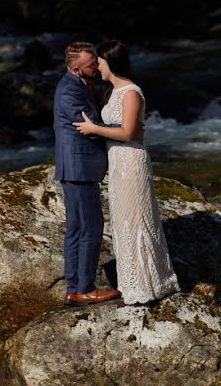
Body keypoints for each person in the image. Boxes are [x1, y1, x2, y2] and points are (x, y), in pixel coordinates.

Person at [73, 41, 180, 305]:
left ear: (111, 63)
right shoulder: (112, 92)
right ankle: (131, 283)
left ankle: (147, 284)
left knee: (137, 219)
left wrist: (94, 129)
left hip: (131, 162)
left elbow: (128, 133)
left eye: (100, 62)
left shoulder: (131, 92)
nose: (97, 67)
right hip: (117, 162)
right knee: (123, 221)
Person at [53, 42, 122, 307]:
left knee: (77, 228)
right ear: (75, 68)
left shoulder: (77, 84)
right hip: (78, 167)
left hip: (76, 166)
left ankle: (74, 288)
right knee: (91, 227)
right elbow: (88, 124)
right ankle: (85, 288)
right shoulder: (69, 89)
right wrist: (125, 128)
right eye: (91, 64)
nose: (96, 66)